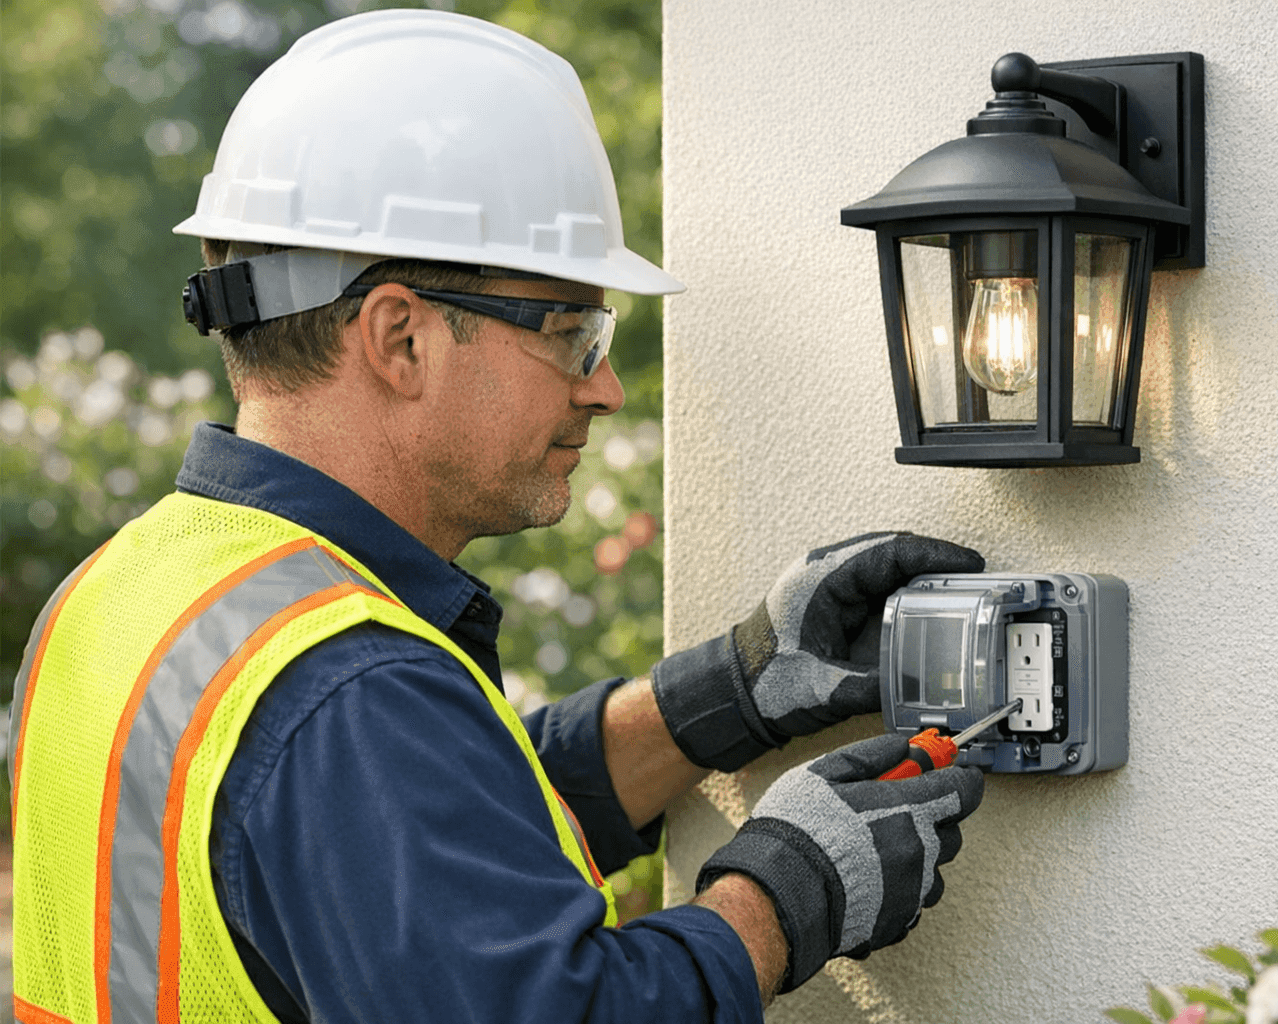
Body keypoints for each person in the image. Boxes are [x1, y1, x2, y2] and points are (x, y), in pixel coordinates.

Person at [8, 11, 987, 1023]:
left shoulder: (125, 592)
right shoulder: (347, 692)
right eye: (572, 331)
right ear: (401, 337)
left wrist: (723, 693)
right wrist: (782, 896)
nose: (603, 387)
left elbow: (414, 857)